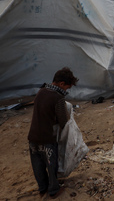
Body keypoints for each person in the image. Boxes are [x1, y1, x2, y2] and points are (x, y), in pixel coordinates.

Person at [28, 67, 78, 198]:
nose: (66, 90)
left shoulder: (41, 91)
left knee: (37, 165)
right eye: (67, 87)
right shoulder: (58, 98)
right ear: (61, 84)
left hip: (33, 136)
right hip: (48, 138)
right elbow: (63, 121)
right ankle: (54, 190)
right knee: (51, 165)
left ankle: (42, 188)